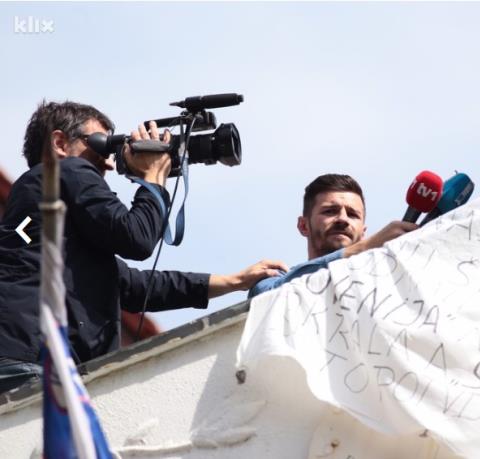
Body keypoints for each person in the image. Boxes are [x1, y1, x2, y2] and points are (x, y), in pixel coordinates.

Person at [0, 101, 286, 393]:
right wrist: (153, 178)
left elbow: (133, 286)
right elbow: (135, 238)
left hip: (23, 355)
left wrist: (232, 281)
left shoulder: (48, 213)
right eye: (100, 145)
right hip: (33, 358)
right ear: (60, 143)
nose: (108, 162)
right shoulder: (66, 170)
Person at [249, 174, 416, 298]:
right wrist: (363, 248)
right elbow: (265, 296)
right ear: (303, 226)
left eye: (352, 214)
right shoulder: (275, 276)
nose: (343, 219)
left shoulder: (382, 282)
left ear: (363, 233)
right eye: (330, 211)